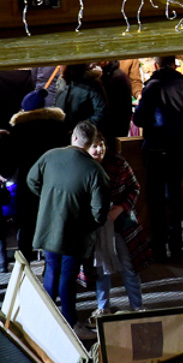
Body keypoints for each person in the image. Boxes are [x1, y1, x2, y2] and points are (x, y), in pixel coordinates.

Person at [27, 122, 110, 329]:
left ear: (73, 137)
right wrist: (88, 223)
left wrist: (49, 200)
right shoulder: (95, 171)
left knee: (52, 269)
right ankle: (69, 321)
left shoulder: (50, 156)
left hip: (49, 226)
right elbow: (100, 211)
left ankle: (45, 317)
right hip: (76, 234)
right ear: (90, 142)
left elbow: (31, 180)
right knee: (68, 274)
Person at [132, 56, 183, 261]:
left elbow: (139, 118)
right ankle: (177, 245)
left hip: (156, 148)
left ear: (155, 65)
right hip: (177, 147)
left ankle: (159, 246)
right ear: (174, 64)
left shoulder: (153, 86)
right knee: (175, 194)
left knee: (156, 198)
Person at [87, 138, 151, 322]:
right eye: (94, 146)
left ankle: (137, 306)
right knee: (100, 268)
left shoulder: (118, 163)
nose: (99, 149)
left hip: (120, 223)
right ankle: (102, 307)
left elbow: (134, 187)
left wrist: (121, 207)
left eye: (102, 145)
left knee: (128, 265)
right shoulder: (83, 166)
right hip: (96, 226)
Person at [6, 88, 66, 260]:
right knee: (54, 230)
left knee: (26, 232)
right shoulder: (59, 127)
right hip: (55, 186)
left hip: (28, 187)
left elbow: (10, 164)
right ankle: (51, 273)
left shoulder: (19, 130)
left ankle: (26, 272)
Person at [59, 63, 107, 133]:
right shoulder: (63, 81)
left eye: (62, 64)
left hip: (81, 135)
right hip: (63, 132)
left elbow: (101, 111)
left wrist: (80, 128)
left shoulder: (92, 83)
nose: (60, 67)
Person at [98, 60, 134, 143]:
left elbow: (122, 110)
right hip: (112, 129)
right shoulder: (108, 75)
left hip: (113, 130)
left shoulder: (117, 77)